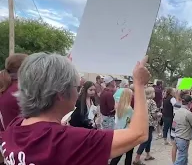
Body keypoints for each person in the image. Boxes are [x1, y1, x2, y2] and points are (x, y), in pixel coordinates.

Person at [1, 53, 151, 164]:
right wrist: (139, 84)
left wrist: (60, 68)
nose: (78, 91)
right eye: (76, 86)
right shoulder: (69, 140)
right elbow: (139, 133)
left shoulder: (15, 127)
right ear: (60, 94)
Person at [133, 87, 159, 165]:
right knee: (146, 139)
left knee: (149, 138)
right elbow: (154, 114)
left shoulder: (142, 100)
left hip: (142, 121)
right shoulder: (152, 102)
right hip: (149, 122)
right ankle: (137, 158)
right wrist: (159, 115)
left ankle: (148, 154)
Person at [111, 88, 134, 165]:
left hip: (119, 132)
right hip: (128, 133)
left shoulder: (118, 106)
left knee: (118, 154)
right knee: (129, 154)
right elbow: (130, 121)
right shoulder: (129, 109)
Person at [173, 94, 192, 165]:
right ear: (189, 103)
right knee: (181, 158)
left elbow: (174, 124)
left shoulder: (177, 111)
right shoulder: (188, 113)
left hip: (177, 136)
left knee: (184, 158)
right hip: (183, 138)